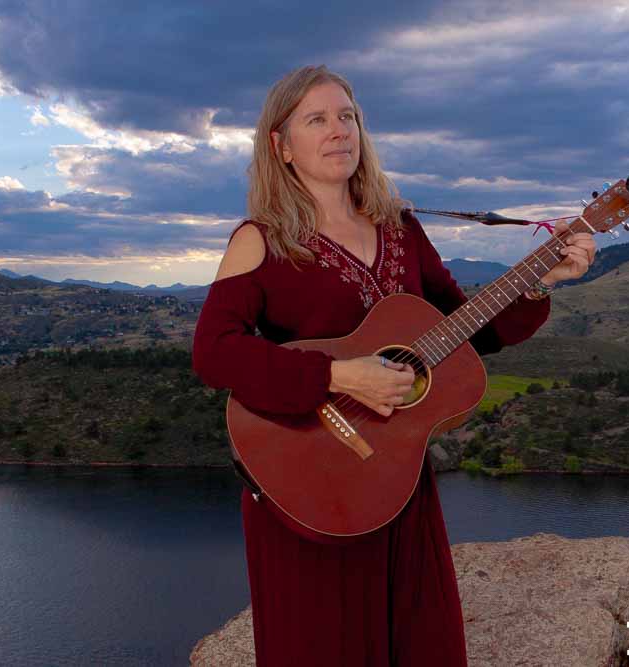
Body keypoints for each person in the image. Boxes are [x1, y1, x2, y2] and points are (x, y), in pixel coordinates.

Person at [192, 65, 596, 667]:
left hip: (396, 478)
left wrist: (540, 282)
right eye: (317, 119)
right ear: (281, 146)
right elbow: (214, 351)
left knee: (419, 643)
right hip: (308, 484)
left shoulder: (400, 228)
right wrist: (335, 375)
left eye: (347, 117)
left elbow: (468, 330)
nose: (338, 131)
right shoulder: (264, 238)